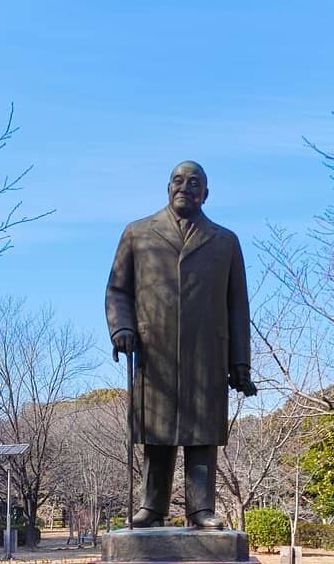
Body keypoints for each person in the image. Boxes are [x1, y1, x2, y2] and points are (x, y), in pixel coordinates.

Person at [106, 161, 257, 528]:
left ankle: (201, 509)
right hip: (153, 349)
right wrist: (121, 328)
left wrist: (240, 364)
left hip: (207, 351)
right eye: (178, 180)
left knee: (201, 432)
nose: (184, 187)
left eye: (194, 183)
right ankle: (152, 507)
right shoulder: (138, 233)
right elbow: (117, 290)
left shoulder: (225, 241)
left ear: (205, 193)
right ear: (167, 187)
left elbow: (237, 305)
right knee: (157, 433)